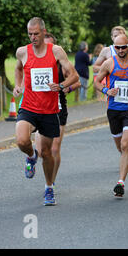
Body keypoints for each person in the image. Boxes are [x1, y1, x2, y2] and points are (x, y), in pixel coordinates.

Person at [13, 17, 79, 206]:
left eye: (36, 34)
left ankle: (49, 188)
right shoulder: (22, 52)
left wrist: (60, 85)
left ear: (43, 32)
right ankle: (31, 156)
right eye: (30, 34)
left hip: (50, 110)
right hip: (28, 107)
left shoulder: (56, 51)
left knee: (47, 153)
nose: (33, 37)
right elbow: (18, 69)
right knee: (21, 140)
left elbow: (73, 75)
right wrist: (18, 85)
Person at [94, 34, 128, 197]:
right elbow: (97, 81)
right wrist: (107, 90)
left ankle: (120, 182)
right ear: (114, 48)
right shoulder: (109, 63)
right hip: (113, 109)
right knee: (120, 146)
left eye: (123, 47)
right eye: (117, 47)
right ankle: (125, 159)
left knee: (126, 144)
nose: (120, 50)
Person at [34, 33, 81, 195]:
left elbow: (77, 81)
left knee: (54, 148)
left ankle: (50, 183)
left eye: (50, 46)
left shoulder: (61, 64)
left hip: (59, 108)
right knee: (41, 151)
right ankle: (33, 157)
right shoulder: (35, 63)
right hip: (39, 108)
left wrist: (64, 87)